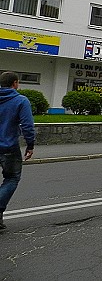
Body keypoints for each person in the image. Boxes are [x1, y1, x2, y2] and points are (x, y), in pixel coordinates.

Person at [0, 71, 35, 230]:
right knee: (12, 178)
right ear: (15, 83)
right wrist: (30, 145)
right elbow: (27, 126)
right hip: (8, 147)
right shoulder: (20, 101)